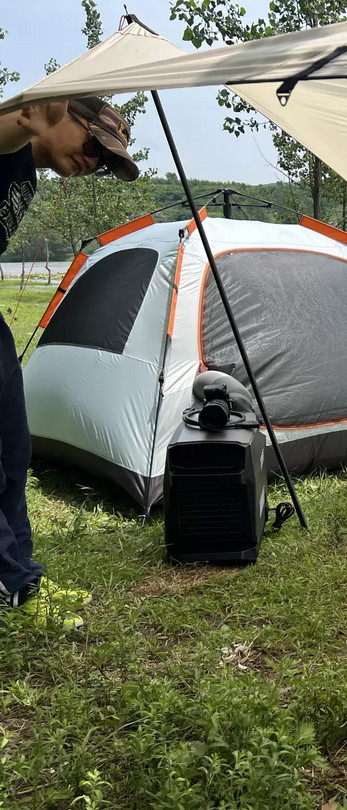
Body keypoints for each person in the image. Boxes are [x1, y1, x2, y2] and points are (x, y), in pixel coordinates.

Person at [0, 96, 138, 630]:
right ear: (59, 111)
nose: (94, 163)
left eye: (105, 161)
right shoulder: (13, 138)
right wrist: (24, 119)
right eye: (93, 146)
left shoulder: (27, 179)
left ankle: (22, 579)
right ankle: (11, 587)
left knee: (16, 451)